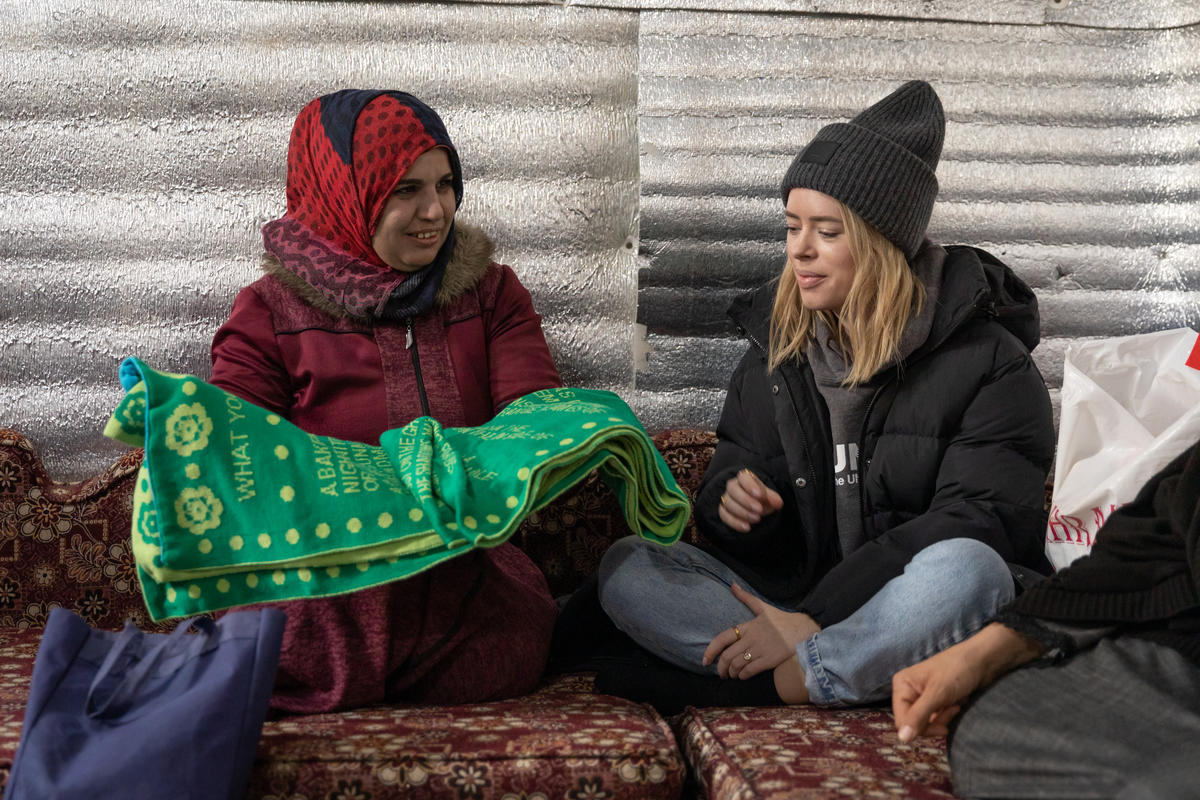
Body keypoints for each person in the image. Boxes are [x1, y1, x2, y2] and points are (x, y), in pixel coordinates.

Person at [593, 80, 1055, 712]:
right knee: (630, 564)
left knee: (969, 571)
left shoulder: (991, 365)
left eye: (826, 231)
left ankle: (776, 685)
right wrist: (740, 507)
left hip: (890, 606)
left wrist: (814, 618)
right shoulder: (777, 353)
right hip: (792, 607)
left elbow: (979, 521)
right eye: (792, 226)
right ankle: (835, 670)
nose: (799, 250)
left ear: (881, 242)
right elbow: (734, 473)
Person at [209, 89, 562, 714]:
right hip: (323, 572)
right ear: (343, 192)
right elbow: (235, 463)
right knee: (307, 619)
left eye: (446, 183)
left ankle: (315, 682)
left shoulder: (491, 295)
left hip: (461, 576)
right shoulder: (270, 312)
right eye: (405, 190)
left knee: (513, 627)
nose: (436, 210)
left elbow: (533, 427)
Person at [893, 438, 1200, 800]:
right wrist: (993, 648)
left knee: (969, 567)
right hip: (1181, 646)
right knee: (993, 727)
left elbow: (979, 509)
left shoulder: (1000, 382)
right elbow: (1149, 545)